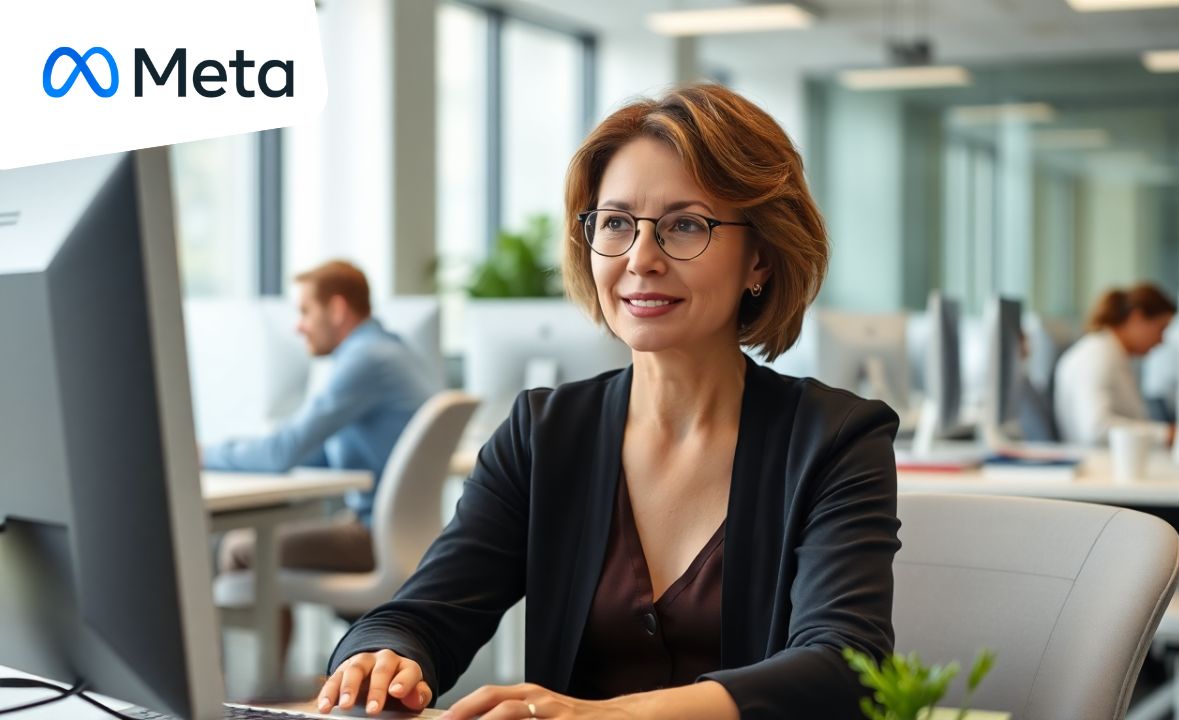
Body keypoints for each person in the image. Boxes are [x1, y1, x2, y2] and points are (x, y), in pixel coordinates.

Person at [317, 85, 900, 720]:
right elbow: (423, 614)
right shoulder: (542, 434)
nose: (641, 259)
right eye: (616, 223)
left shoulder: (837, 439)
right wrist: (380, 655)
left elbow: (845, 666)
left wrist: (603, 716)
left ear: (759, 256)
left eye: (686, 226)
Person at [203, 260, 436, 573]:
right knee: (267, 534)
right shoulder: (390, 351)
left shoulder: (365, 359)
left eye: (305, 311)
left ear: (337, 309)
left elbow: (282, 452)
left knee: (237, 546)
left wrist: (202, 455)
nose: (298, 327)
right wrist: (265, 451)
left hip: (374, 537)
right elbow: (313, 453)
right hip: (406, 534)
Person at [1054, 283, 1176, 447]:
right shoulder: (1098, 355)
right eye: (1161, 328)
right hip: (1101, 463)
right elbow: (1096, 428)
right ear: (1137, 318)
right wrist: (1165, 434)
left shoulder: (1112, 353)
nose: (1161, 340)